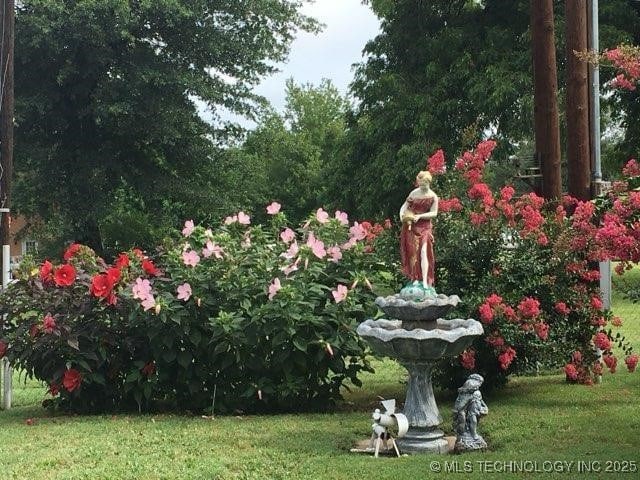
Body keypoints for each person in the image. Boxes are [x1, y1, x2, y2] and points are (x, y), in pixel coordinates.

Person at [399, 170, 439, 289]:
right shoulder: (414, 193)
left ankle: (426, 280)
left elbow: (434, 213)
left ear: (429, 183)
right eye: (420, 185)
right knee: (413, 253)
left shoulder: (433, 196)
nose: (422, 187)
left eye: (424, 185)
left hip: (425, 226)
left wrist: (420, 216)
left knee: (423, 251)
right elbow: (404, 207)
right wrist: (402, 216)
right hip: (412, 226)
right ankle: (415, 278)